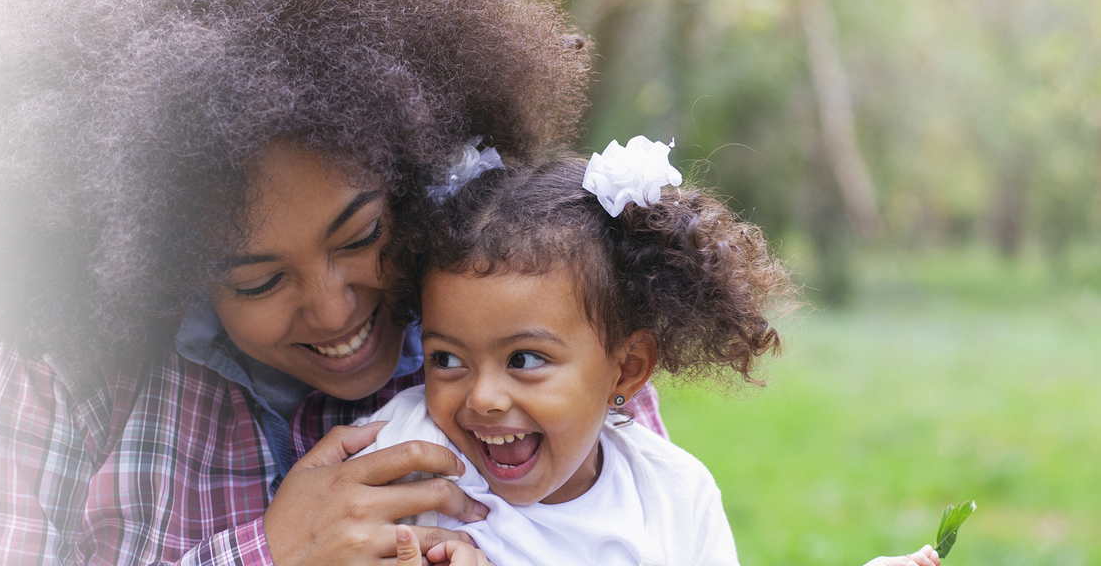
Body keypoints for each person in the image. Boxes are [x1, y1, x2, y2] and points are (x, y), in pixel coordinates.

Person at [0, 0, 662, 565]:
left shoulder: (540, 326)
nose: (334, 311)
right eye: (259, 281)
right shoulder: (55, 370)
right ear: (163, 262)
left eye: (363, 236)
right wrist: (269, 552)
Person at [357, 139, 945, 566]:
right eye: (446, 359)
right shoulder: (406, 456)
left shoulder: (670, 495)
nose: (482, 397)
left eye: (525, 359)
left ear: (628, 367)